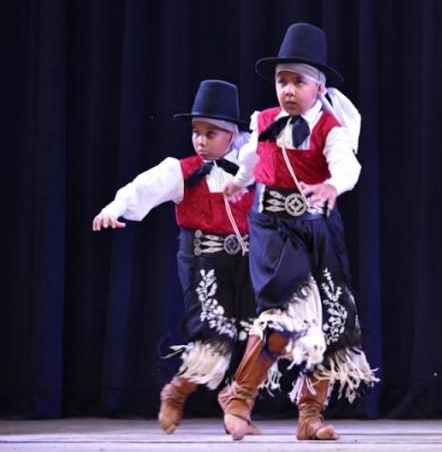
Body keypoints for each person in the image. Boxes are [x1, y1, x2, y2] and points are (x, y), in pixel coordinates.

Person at [219, 22, 377, 441]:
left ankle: (310, 414)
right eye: (281, 81)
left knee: (330, 319)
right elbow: (252, 158)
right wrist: (239, 180)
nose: (287, 90)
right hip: (273, 228)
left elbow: (348, 166)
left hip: (318, 227)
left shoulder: (330, 128)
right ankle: (239, 395)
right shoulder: (265, 120)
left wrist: (331, 185)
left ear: (319, 88)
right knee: (288, 312)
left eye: (298, 82)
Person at [92, 79, 258, 434]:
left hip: (246, 263)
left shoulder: (250, 164)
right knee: (214, 334)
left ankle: (238, 400)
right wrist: (113, 209)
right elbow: (141, 188)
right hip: (201, 263)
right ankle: (177, 391)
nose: (199, 140)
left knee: (256, 334)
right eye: (196, 131)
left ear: (232, 134)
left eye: (210, 132)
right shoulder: (179, 171)